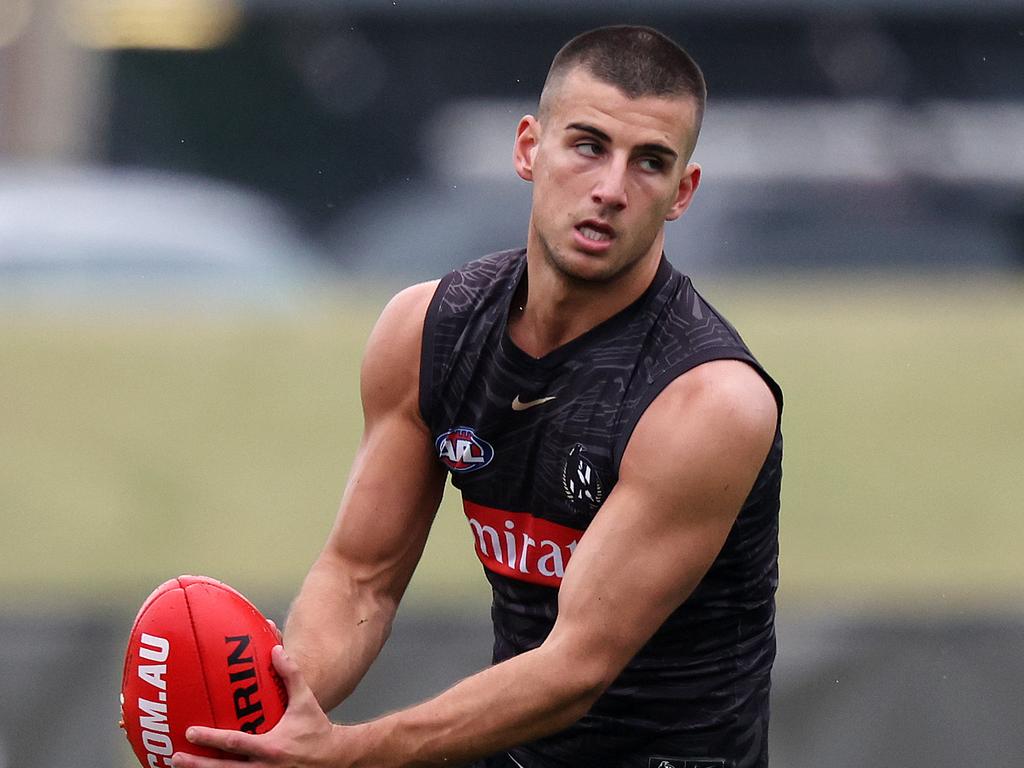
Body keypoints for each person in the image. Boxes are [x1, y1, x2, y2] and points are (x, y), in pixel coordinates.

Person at [172, 24, 783, 768]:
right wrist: (269, 726)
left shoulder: (708, 400)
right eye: (588, 145)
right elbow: (360, 577)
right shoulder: (427, 331)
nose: (611, 189)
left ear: (682, 193)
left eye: (649, 163)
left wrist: (346, 752)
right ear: (529, 148)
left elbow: (574, 670)